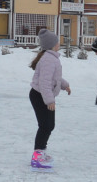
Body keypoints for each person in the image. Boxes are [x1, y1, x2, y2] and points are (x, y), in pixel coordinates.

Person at [29, 29, 70, 171]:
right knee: (45, 125)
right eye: (57, 41)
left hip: (44, 95)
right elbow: (44, 82)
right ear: (53, 44)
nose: (59, 43)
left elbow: (54, 78)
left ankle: (41, 152)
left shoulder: (51, 58)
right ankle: (37, 155)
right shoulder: (48, 59)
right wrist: (49, 101)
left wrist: (65, 85)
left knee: (49, 125)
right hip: (40, 96)